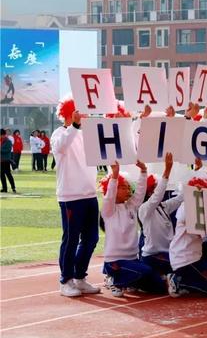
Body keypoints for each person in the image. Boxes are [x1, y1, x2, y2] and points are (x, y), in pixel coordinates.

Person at [51, 97, 101, 297]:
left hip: (89, 193)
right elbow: (61, 147)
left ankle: (80, 277)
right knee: (71, 239)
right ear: (69, 113)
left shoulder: (85, 134)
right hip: (70, 195)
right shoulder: (59, 133)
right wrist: (75, 125)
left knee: (91, 238)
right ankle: (65, 280)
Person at [101, 161, 166, 297]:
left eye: (127, 187)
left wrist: (143, 171)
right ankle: (114, 279)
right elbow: (109, 196)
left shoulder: (130, 206)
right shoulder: (108, 210)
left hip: (132, 259)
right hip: (115, 261)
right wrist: (114, 175)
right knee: (146, 271)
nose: (128, 190)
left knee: (159, 287)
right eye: (123, 187)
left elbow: (140, 193)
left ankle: (129, 282)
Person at [167, 175, 207, 298]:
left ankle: (203, 275)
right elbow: (200, 226)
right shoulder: (185, 206)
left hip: (196, 254)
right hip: (184, 257)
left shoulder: (204, 208)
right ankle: (180, 280)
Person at [138, 153, 183, 277]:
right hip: (153, 256)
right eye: (155, 188)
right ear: (149, 192)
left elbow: (181, 198)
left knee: (185, 263)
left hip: (167, 254)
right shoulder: (144, 209)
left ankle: (166, 277)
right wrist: (167, 170)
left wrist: (196, 172)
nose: (161, 191)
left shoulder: (164, 207)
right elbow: (157, 195)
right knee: (180, 267)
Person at [1, 129, 16, 193]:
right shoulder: (1, 141)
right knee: (1, 175)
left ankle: (13, 187)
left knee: (8, 174)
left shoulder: (8, 141)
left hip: (6, 160)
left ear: (3, 135)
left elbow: (8, 150)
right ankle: (4, 188)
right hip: (1, 160)